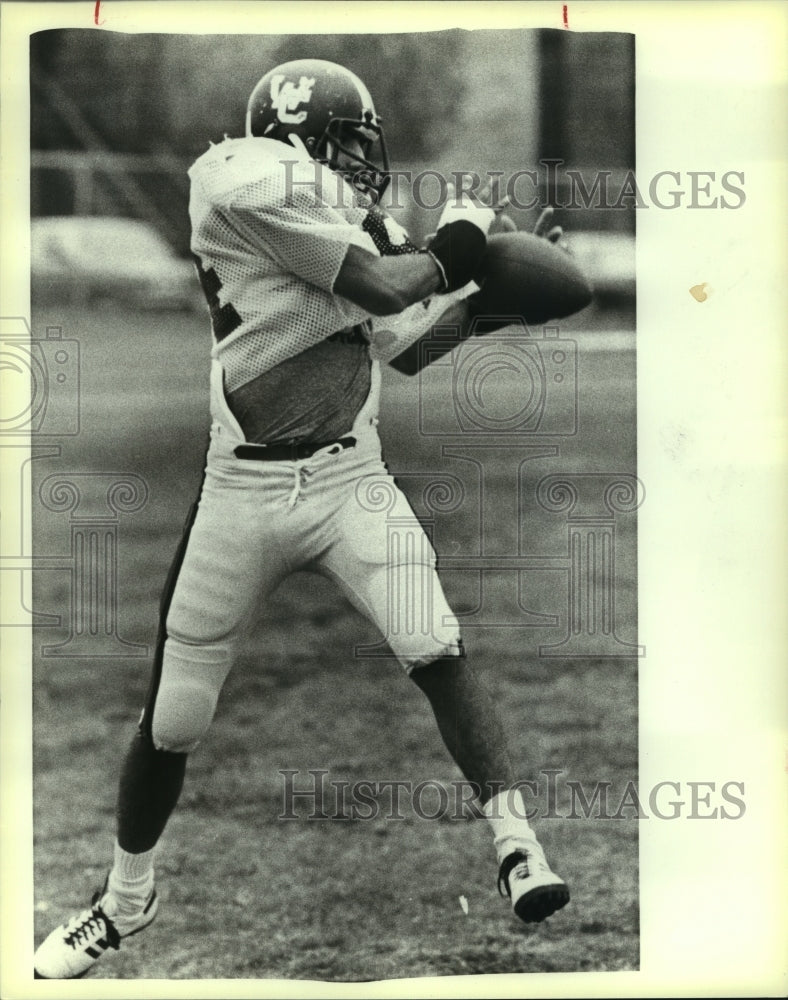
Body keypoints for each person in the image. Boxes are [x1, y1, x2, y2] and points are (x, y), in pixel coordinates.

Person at [34, 58, 569, 980]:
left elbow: (401, 341)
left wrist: (490, 309)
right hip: (240, 490)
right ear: (305, 143)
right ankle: (126, 900)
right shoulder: (239, 179)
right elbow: (389, 287)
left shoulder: (342, 219)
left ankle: (519, 847)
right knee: (174, 720)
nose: (365, 166)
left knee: (436, 648)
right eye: (351, 146)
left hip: (350, 480)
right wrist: (467, 238)